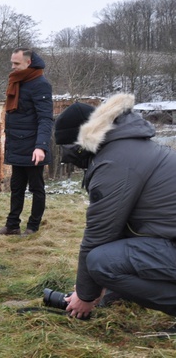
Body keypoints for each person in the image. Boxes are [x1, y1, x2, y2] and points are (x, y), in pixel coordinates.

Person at [53, 94, 176, 319]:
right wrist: (103, 289)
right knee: (114, 255)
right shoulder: (127, 147)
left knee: (101, 262)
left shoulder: (114, 163)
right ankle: (115, 294)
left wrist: (85, 295)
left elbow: (99, 236)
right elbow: (120, 232)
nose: (67, 155)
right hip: (168, 240)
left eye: (69, 146)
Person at [0, 48, 53, 236]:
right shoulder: (17, 81)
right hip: (17, 144)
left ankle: (33, 227)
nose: (13, 67)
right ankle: (12, 226)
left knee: (36, 188)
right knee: (16, 187)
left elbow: (45, 118)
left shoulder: (40, 84)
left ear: (29, 62)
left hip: (33, 146)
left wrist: (40, 146)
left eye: (16, 63)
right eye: (12, 63)